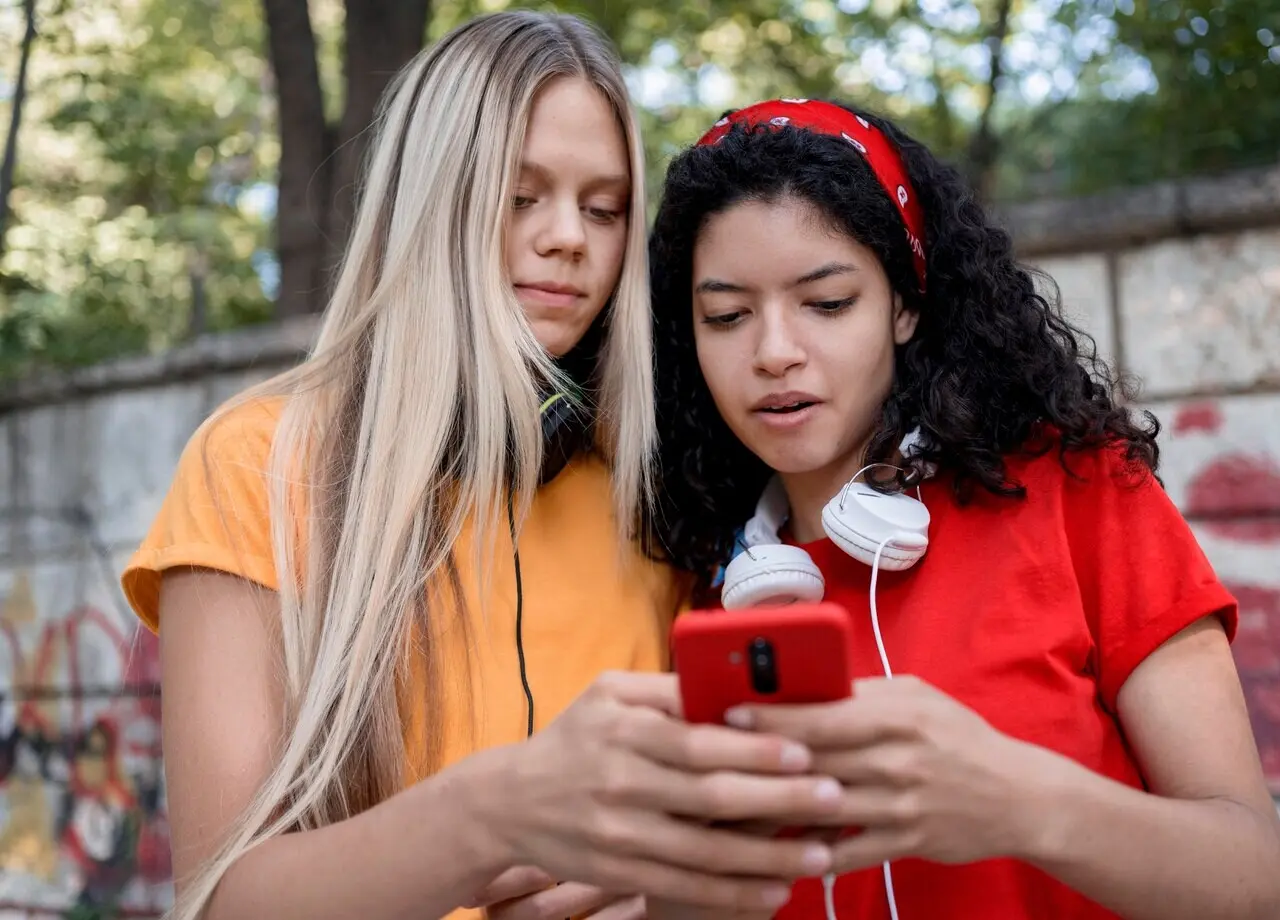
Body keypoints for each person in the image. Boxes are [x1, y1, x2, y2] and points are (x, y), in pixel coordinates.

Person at [119, 25, 850, 920]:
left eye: (605, 208)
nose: (568, 238)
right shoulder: (257, 463)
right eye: (520, 195)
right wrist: (494, 811)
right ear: (431, 200)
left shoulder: (655, 480)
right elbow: (222, 902)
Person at [645, 98, 1280, 920]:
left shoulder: (1080, 489)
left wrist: (1017, 801)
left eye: (828, 302)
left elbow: (1263, 886)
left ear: (905, 305)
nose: (774, 352)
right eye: (727, 316)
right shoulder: (691, 581)